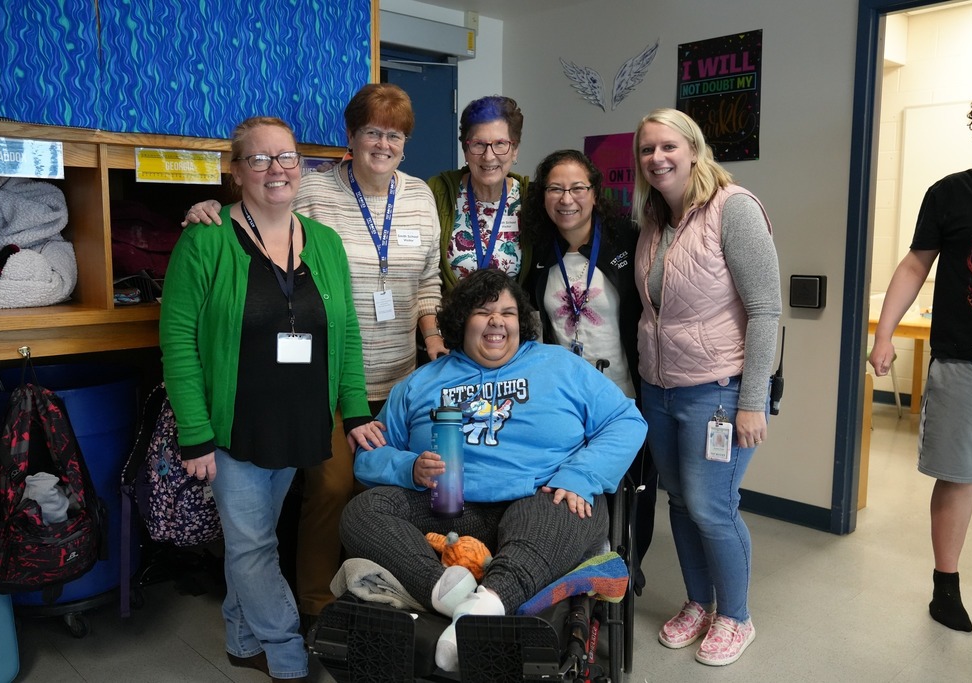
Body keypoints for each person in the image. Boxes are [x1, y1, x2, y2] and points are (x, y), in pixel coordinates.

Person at [182, 84, 444, 629]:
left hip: (401, 375)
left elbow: (428, 281)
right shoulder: (313, 191)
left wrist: (435, 338)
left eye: (394, 134)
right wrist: (206, 206)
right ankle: (314, 602)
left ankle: (388, 591)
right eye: (372, 131)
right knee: (332, 486)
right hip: (324, 379)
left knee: (401, 485)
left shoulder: (420, 196)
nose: (383, 143)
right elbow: (257, 214)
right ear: (350, 138)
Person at [160, 116, 383, 682]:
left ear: (301, 168)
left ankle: (241, 639)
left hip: (299, 420)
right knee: (255, 545)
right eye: (258, 160)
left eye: (286, 157)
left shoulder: (325, 242)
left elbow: (347, 330)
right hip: (233, 425)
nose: (275, 169)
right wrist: (195, 432)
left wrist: (354, 409)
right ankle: (287, 653)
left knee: (250, 541)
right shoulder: (205, 239)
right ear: (237, 173)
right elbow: (178, 341)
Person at [339, 268, 647, 673]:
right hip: (450, 507)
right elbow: (367, 456)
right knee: (362, 512)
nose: (498, 321)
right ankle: (451, 594)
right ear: (460, 322)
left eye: (507, 312)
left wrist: (580, 475)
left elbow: (627, 421)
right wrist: (408, 467)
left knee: (565, 508)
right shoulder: (420, 383)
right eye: (484, 312)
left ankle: (485, 605)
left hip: (541, 501)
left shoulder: (559, 365)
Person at [632, 108, 781, 666]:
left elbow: (765, 310)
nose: (657, 158)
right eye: (647, 150)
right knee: (679, 501)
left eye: (668, 146)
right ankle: (699, 602)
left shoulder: (733, 208)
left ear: (694, 149)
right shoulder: (654, 219)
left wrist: (751, 400)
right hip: (660, 388)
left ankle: (736, 616)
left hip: (719, 389)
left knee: (712, 505)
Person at [869, 81, 972, 633]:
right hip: (967, 361)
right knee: (960, 477)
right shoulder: (953, 193)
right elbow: (914, 266)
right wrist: (884, 335)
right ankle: (946, 585)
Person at [521, 148, 657, 574]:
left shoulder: (629, 242)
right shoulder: (538, 251)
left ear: (595, 194)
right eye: (555, 189)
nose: (567, 199)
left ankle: (628, 572)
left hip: (625, 398)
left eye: (577, 188)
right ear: (543, 197)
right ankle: (579, 578)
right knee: (575, 492)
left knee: (632, 493)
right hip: (568, 401)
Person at [427, 95, 531, 292]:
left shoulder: (531, 199)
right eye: (478, 144)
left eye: (500, 143)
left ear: (515, 150)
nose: (489, 156)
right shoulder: (436, 192)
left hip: (508, 321)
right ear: (465, 150)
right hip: (449, 320)